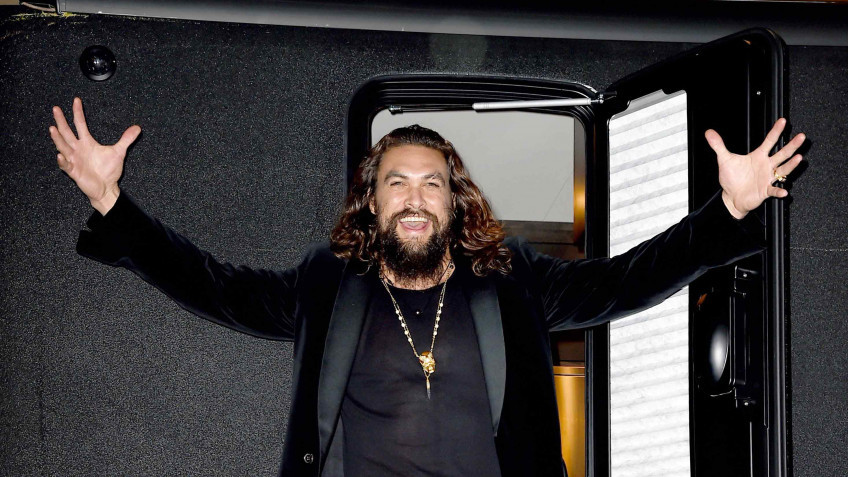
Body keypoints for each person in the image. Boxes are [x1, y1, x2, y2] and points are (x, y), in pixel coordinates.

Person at [49, 97, 805, 477]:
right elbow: (212, 285)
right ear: (372, 202)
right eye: (396, 182)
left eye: (432, 183)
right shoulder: (326, 283)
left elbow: (627, 280)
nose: (414, 197)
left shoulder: (513, 280)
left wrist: (728, 210)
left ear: (455, 201)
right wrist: (113, 204)